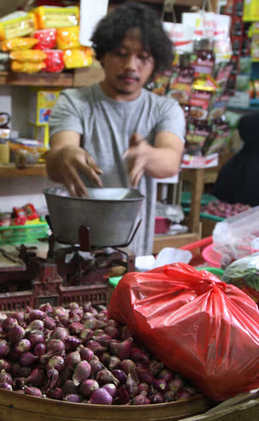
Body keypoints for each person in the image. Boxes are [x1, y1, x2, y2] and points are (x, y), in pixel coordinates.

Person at [46, 3, 185, 256]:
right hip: (76, 250)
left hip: (133, 251)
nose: (131, 65)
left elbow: (170, 161)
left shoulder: (165, 109)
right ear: (103, 55)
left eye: (143, 57)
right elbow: (57, 159)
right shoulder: (74, 102)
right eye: (121, 54)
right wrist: (66, 155)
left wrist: (147, 154)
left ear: (155, 63)